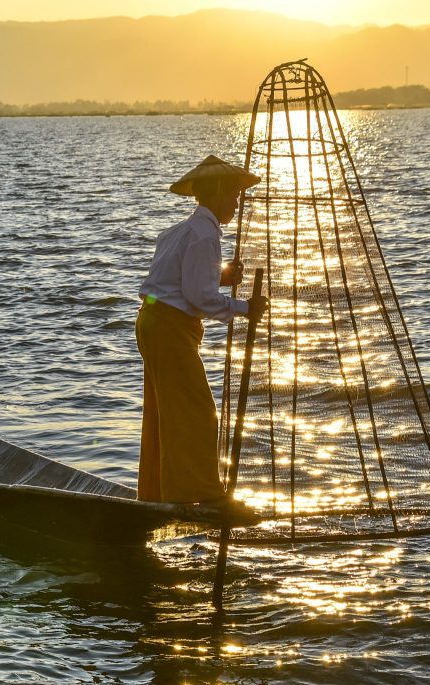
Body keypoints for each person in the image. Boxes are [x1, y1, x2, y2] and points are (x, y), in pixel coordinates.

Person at [136, 155, 267, 505]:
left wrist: (221, 276)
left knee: (167, 412)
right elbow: (198, 295)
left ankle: (162, 492)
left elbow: (177, 278)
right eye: (235, 197)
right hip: (169, 328)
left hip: (152, 322)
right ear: (220, 193)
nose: (237, 205)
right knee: (197, 412)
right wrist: (244, 308)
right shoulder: (204, 236)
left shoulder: (179, 231)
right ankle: (206, 493)